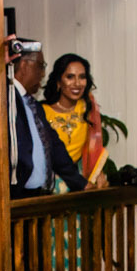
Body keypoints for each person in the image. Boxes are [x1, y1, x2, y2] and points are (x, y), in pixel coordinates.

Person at [5, 37, 86, 199]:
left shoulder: (34, 105)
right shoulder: (6, 99)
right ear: (25, 65)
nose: (43, 74)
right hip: (16, 196)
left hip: (37, 197)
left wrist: (81, 183)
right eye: (40, 66)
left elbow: (54, 146)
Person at [41, 53, 109, 187]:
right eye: (70, 77)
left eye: (82, 77)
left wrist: (98, 172)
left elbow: (92, 149)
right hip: (48, 181)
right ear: (58, 81)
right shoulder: (41, 111)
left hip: (80, 179)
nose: (77, 83)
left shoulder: (87, 108)